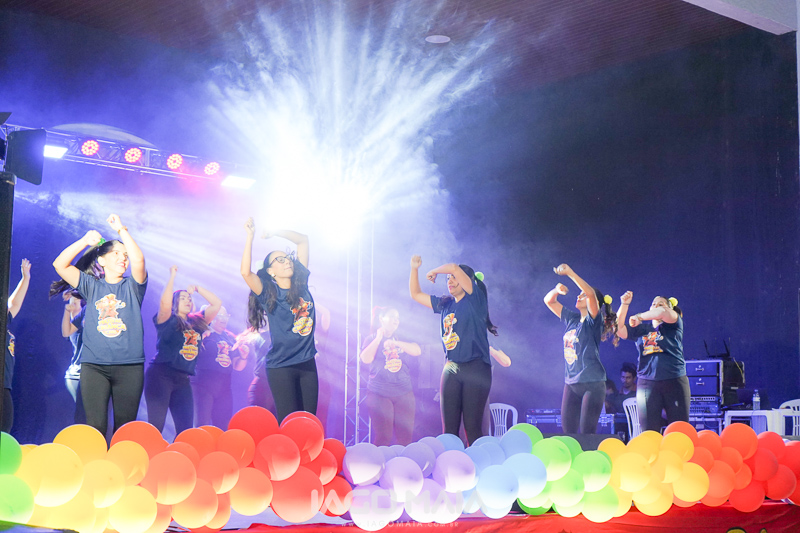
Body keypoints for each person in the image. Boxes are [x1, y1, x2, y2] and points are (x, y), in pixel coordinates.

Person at [51, 214, 147, 437]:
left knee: (124, 430)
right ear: (102, 260)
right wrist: (85, 241)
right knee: (94, 428)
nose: (123, 258)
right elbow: (60, 265)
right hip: (94, 367)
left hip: (129, 367)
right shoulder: (91, 286)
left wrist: (121, 230)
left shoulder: (134, 287)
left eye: (125, 255)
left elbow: (139, 261)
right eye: (116, 253)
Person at [409, 255, 498, 446]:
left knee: (472, 428)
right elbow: (416, 294)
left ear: (467, 282)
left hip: (476, 368)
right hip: (451, 368)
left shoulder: (475, 299)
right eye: (448, 279)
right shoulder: (445, 304)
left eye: (454, 278)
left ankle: (477, 462)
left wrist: (435, 270)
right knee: (449, 431)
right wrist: (414, 269)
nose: (449, 281)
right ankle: (451, 462)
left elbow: (454, 267)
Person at [241, 218, 317, 423]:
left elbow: (303, 240)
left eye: (287, 258)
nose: (287, 261)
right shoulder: (268, 294)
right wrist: (250, 236)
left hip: (307, 363)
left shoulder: (301, 283)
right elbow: (245, 273)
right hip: (281, 367)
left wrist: (275, 232)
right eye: (280, 260)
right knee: (290, 423)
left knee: (309, 423)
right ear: (271, 271)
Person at [145, 266, 221, 435]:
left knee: (186, 430)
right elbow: (164, 303)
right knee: (156, 426)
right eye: (182, 298)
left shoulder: (197, 322)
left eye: (189, 298)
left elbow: (216, 304)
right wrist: (172, 276)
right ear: (175, 303)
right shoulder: (167, 319)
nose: (187, 301)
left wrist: (198, 289)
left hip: (183, 380)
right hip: (160, 375)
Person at [543, 264, 617, 434]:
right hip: (571, 383)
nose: (579, 295)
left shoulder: (594, 321)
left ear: (594, 303)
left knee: (586, 433)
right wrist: (556, 290)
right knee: (568, 433)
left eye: (582, 295)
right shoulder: (572, 319)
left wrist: (570, 273)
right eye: (579, 294)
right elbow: (549, 301)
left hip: (592, 383)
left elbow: (590, 293)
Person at [616, 291, 689, 432]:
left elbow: (662, 312)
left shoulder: (674, 323)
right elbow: (619, 330)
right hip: (647, 383)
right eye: (653, 304)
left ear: (669, 308)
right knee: (648, 431)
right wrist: (624, 305)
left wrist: (639, 316)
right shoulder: (642, 329)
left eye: (661, 304)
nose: (656, 306)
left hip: (674, 381)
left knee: (679, 430)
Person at [359, 306, 421, 446]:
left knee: (405, 439)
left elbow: (417, 350)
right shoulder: (371, 338)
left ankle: (402, 460)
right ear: (381, 319)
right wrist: (378, 339)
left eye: (397, 318)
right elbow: (366, 359)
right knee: (384, 438)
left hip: (404, 393)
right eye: (392, 316)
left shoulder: (402, 338)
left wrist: (395, 343)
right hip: (379, 394)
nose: (396, 320)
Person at [191, 305, 249, 428]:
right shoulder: (200, 332)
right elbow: (189, 355)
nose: (224, 320)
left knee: (223, 426)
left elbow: (237, 366)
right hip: (202, 385)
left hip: (224, 388)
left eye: (226, 316)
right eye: (220, 316)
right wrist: (200, 337)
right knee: (202, 425)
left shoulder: (230, 337)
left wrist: (243, 357)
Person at [3, 259, 31, 433]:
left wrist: (25, 278)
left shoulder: (5, 321)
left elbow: (15, 303)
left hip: (5, 385)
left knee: (5, 427)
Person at [61, 290, 86, 424]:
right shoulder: (73, 326)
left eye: (75, 304)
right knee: (84, 412)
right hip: (77, 374)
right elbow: (65, 332)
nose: (72, 307)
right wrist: (66, 311)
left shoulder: (85, 320)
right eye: (71, 304)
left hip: (80, 374)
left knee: (87, 412)